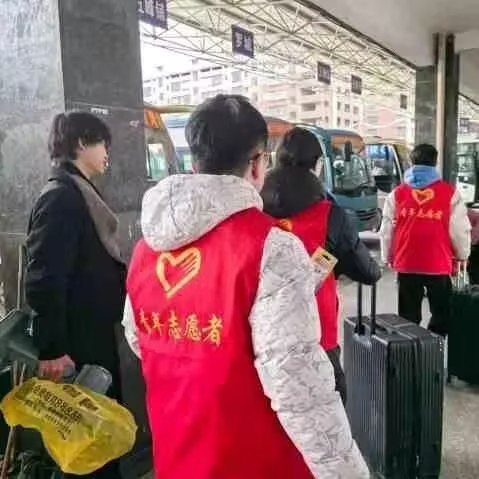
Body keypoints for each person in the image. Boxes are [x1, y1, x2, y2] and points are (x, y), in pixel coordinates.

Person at [123, 95, 368, 479]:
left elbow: (138, 336)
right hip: (254, 460)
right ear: (256, 163)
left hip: (176, 452)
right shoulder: (270, 247)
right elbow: (297, 385)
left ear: (195, 160)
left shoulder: (146, 250)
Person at [25, 112, 126, 478]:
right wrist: (52, 348)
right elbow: (44, 277)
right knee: (87, 445)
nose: (107, 153)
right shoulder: (62, 197)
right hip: (75, 344)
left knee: (99, 437)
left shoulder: (78, 191)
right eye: (102, 143)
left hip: (92, 334)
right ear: (82, 143)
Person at [261, 127, 381, 404]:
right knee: (329, 412)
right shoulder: (330, 214)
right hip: (316, 338)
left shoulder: (253, 208)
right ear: (317, 165)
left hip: (262, 337)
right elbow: (367, 271)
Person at [380, 143, 471, 335]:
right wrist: (462, 254)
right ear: (435, 162)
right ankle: (434, 345)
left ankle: (412, 348)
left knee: (408, 316)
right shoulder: (449, 193)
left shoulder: (397, 194)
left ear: (411, 162)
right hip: (438, 262)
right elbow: (459, 230)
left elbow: (387, 230)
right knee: (441, 312)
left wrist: (386, 256)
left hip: (407, 262)